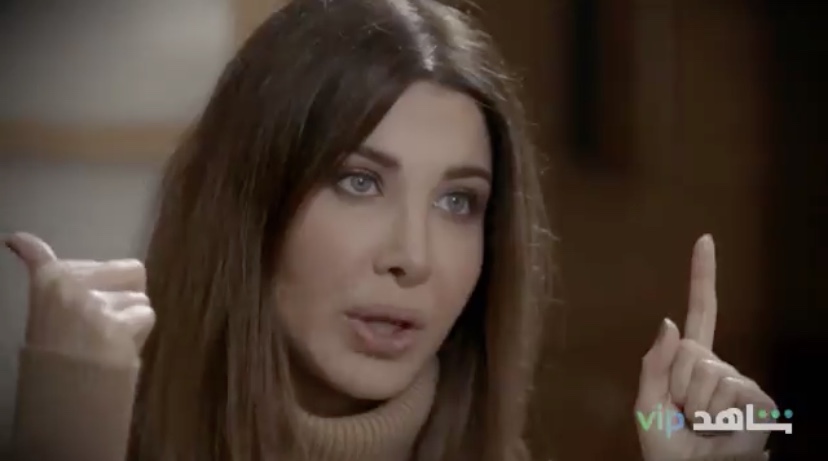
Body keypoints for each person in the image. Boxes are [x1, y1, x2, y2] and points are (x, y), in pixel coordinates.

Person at [4, 0, 776, 460]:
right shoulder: (94, 424)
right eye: (359, 181)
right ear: (252, 205)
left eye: (458, 202)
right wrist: (66, 421)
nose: (413, 257)